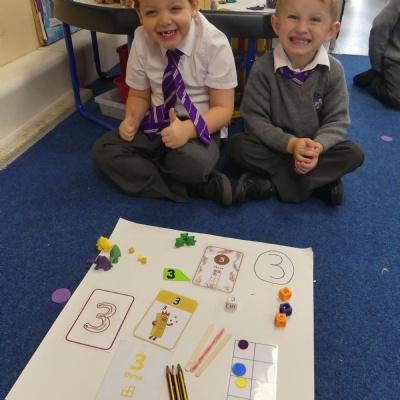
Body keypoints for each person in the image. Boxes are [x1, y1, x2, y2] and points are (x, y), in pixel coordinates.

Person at [92, 0, 237, 205]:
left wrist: (187, 130)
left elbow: (223, 110)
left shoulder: (214, 43)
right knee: (104, 149)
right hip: (157, 121)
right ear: (139, 14)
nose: (164, 21)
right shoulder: (141, 39)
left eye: (175, 8)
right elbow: (139, 96)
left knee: (193, 163)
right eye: (152, 12)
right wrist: (132, 119)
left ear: (193, 6)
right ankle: (190, 187)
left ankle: (160, 171)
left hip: (201, 125)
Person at [226, 0, 364, 206]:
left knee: (353, 153)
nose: (301, 28)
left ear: (330, 30)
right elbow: (254, 119)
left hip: (313, 150)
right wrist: (291, 145)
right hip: (274, 147)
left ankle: (270, 186)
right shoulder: (263, 68)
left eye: (314, 19)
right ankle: (316, 183)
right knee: (237, 146)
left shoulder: (333, 70)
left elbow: (337, 121)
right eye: (293, 17)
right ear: (276, 24)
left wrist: (317, 148)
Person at [353, 0, 400, 109]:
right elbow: (379, 26)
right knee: (396, 100)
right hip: (396, 60)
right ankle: (375, 78)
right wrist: (377, 65)